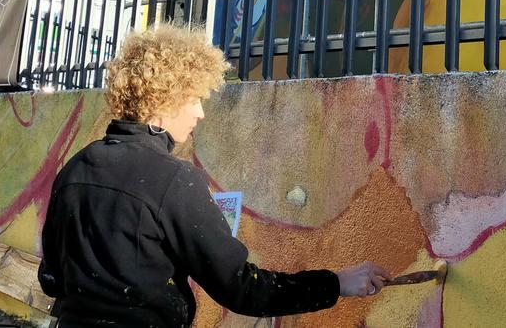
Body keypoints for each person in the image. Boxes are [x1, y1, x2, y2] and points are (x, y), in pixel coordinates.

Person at [39, 23, 390, 328]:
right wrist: (337, 283)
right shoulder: (175, 180)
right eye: (193, 98)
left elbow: (51, 278)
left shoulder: (76, 167)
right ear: (164, 100)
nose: (200, 112)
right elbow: (242, 289)